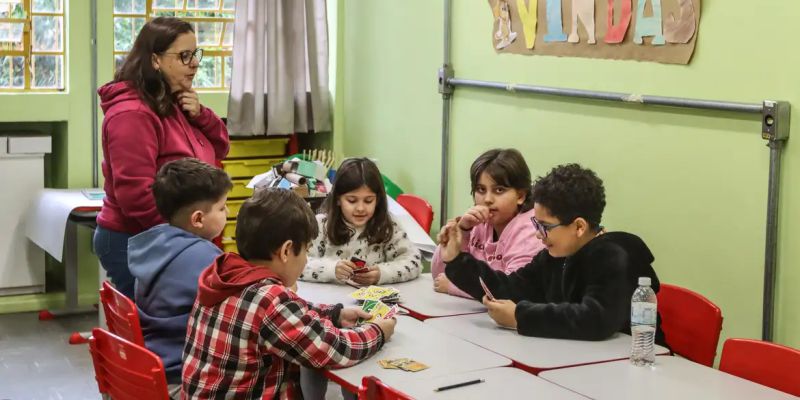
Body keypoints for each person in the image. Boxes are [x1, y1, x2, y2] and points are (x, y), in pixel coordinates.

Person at [182, 188, 396, 399]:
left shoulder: (225, 274)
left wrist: (335, 315)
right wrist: (378, 331)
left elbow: (290, 312)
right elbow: (333, 349)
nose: (305, 260)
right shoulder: (269, 300)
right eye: (306, 250)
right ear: (286, 251)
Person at [440, 164, 665, 343]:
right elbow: (508, 289)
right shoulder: (553, 256)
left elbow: (596, 318)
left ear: (579, 227)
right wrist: (456, 260)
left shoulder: (616, 256)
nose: (538, 235)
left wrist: (521, 317)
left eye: (545, 227)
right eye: (536, 225)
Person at [94, 17, 229, 298]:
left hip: (176, 234)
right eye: (184, 56)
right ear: (155, 60)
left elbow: (219, 147)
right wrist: (187, 234)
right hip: (136, 238)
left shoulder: (172, 99)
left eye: (195, 54)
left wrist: (202, 114)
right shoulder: (132, 114)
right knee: (162, 327)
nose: (194, 63)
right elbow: (136, 197)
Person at [127, 158, 231, 397]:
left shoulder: (154, 245)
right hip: (184, 371)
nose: (228, 212)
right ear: (198, 219)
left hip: (155, 362)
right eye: (222, 207)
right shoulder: (206, 258)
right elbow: (248, 303)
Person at [431, 149, 544, 297]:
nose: (487, 199)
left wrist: (455, 286)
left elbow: (512, 291)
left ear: (520, 196)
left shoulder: (530, 230)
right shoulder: (477, 223)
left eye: (499, 190)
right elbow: (439, 275)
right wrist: (463, 231)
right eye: (481, 189)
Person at [300, 158, 422, 286]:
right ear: (337, 199)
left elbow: (413, 261)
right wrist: (331, 269)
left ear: (378, 200)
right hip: (329, 302)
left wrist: (383, 273)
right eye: (352, 201)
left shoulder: (387, 225)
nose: (360, 208)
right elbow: (296, 264)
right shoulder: (321, 225)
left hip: (374, 303)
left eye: (368, 201)